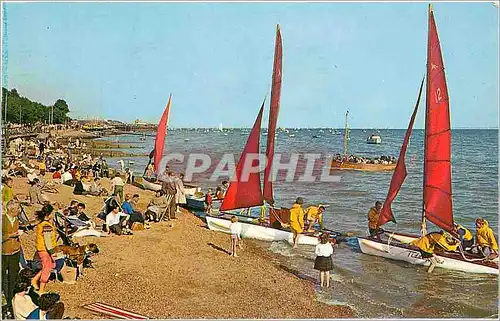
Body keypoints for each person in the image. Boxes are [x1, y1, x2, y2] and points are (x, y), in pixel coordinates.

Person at [31, 204, 57, 293]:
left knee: (48, 266)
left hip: (42, 249)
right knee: (47, 269)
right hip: (46, 250)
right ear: (49, 214)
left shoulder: (42, 224)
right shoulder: (47, 226)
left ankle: (35, 279)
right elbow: (48, 242)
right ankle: (41, 290)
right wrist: (52, 253)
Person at [2, 200, 23, 312]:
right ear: (12, 210)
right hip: (4, 253)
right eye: (18, 209)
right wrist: (11, 235)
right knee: (2, 277)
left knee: (13, 277)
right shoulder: (2, 220)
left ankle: (11, 300)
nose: (19, 210)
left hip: (15, 252)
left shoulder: (16, 220)